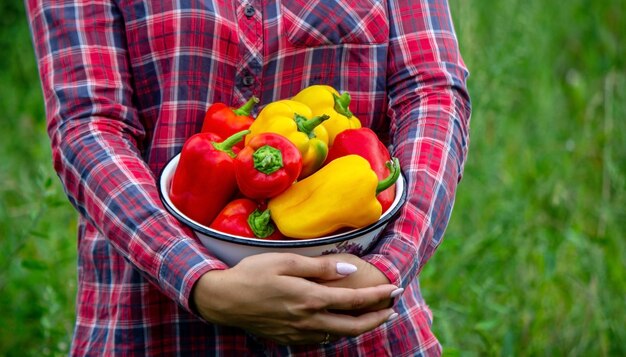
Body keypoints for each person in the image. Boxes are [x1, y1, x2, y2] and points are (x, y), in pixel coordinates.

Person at [25, 0, 471, 355]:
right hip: (153, 318)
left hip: (355, 321)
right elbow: (88, 124)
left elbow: (431, 91)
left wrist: (384, 268)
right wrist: (199, 281)